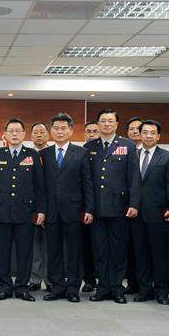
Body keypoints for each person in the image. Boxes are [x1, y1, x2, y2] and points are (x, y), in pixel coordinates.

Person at [84, 108, 140, 304]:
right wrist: (88, 208)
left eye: (110, 121)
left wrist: (134, 204)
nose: (106, 124)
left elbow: (134, 178)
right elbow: (87, 181)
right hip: (96, 209)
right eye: (103, 121)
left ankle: (116, 288)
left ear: (116, 124)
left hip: (120, 208)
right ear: (98, 124)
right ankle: (102, 288)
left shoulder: (127, 146)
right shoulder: (89, 146)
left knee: (118, 250)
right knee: (99, 251)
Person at [0, 118, 46, 301]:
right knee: (2, 252)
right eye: (11, 131)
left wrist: (41, 210)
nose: (14, 134)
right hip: (1, 211)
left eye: (18, 131)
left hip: (25, 212)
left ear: (23, 134)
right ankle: (4, 287)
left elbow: (39, 186)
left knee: (25, 252)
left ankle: (22, 287)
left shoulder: (32, 155)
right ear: (5, 134)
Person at [41, 113, 94, 303]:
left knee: (74, 252)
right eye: (56, 128)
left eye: (64, 128)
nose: (60, 131)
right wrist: (41, 210)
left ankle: (72, 288)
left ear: (71, 131)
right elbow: (40, 186)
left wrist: (89, 208)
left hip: (74, 210)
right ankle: (56, 287)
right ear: (51, 131)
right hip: (51, 211)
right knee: (53, 251)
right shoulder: (44, 154)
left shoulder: (81, 153)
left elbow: (87, 183)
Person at [131, 119, 169, 305]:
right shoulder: (132, 155)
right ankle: (144, 290)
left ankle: (161, 292)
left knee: (160, 255)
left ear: (159, 136)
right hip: (135, 214)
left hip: (159, 213)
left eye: (152, 133)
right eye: (145, 132)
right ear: (140, 134)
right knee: (140, 254)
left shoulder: (168, 157)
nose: (148, 136)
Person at [29, 122, 52, 293]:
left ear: (48, 135)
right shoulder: (27, 155)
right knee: (35, 245)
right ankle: (35, 279)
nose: (38, 135)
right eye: (35, 132)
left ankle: (50, 279)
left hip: (53, 207)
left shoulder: (53, 154)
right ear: (30, 136)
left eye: (42, 132)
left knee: (51, 246)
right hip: (31, 207)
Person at [124, 116, 144, 295]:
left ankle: (146, 284)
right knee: (129, 248)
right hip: (126, 209)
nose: (135, 131)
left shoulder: (153, 153)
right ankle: (132, 283)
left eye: (138, 128)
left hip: (147, 209)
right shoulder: (125, 151)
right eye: (131, 129)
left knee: (144, 248)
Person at [81, 121, 100, 292]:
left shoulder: (107, 149)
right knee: (86, 245)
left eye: (95, 131)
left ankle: (104, 280)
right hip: (85, 206)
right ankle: (89, 280)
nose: (92, 134)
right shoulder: (82, 151)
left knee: (101, 246)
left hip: (103, 204)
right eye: (88, 131)